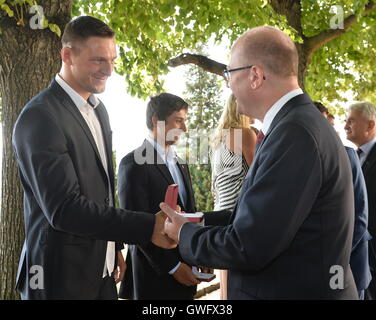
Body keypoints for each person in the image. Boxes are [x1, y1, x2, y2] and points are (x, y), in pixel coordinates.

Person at [161, 26, 358, 299]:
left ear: (255, 76)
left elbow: (249, 245)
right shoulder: (291, 125)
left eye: (229, 73)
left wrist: (185, 235)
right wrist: (198, 220)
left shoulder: (295, 134)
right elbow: (258, 216)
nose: (227, 83)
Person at [12, 16, 173, 300]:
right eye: (98, 60)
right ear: (67, 55)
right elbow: (65, 209)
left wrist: (115, 248)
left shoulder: (99, 110)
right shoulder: (40, 117)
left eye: (112, 60)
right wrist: (148, 226)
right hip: (58, 278)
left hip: (103, 270)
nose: (109, 70)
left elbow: (102, 191)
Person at [117, 93, 203, 300]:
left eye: (185, 121)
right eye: (178, 120)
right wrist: (173, 267)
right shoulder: (133, 164)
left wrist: (198, 255)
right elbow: (136, 225)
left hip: (186, 272)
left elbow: (188, 215)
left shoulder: (181, 163)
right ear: (157, 121)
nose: (184, 128)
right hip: (153, 279)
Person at [315, 101, 372, 299]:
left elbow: (359, 216)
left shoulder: (239, 135)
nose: (342, 127)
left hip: (347, 261)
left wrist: (335, 259)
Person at [211, 93, 256, 299]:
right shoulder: (244, 134)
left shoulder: (218, 139)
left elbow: (215, 184)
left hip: (220, 212)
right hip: (238, 215)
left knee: (225, 287)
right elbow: (260, 174)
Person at [345, 101, 376, 300]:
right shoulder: (349, 156)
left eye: (351, 121)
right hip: (359, 253)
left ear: (370, 125)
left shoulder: (237, 135)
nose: (345, 125)